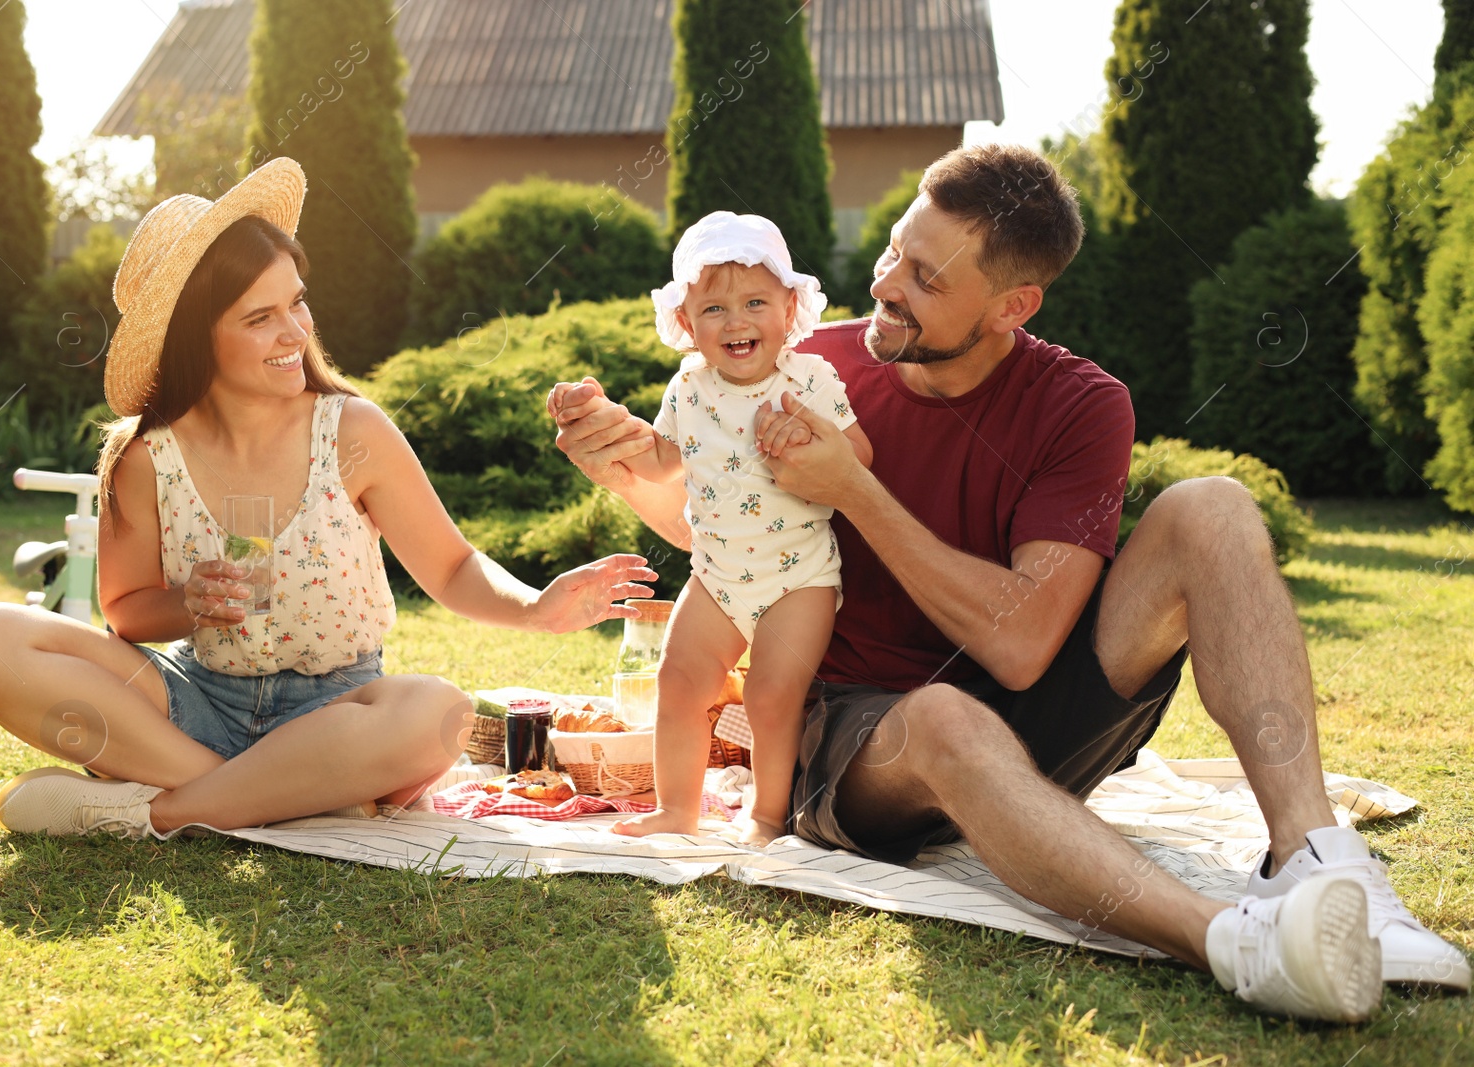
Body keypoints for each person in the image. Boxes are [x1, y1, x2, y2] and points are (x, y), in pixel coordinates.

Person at [549, 144, 1469, 1022]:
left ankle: (1316, 859)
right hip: (864, 729)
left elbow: (1026, 648)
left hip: (1032, 710)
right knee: (947, 717)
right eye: (894, 251)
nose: (886, 286)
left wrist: (856, 490)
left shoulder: (1080, 403)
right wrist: (626, 472)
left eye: (927, 279)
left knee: (1214, 508)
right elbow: (743, 538)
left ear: (1012, 306)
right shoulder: (804, 365)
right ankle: (1238, 944)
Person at [0, 157, 655, 840]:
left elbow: (450, 568)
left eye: (298, 302)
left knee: (440, 713)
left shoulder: (353, 432)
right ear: (198, 337)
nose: (295, 332)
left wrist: (536, 606)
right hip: (196, 702)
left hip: (335, 708)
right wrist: (188, 602)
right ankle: (284, 797)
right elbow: (125, 611)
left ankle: (158, 813)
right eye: (260, 318)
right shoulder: (145, 456)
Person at [550, 212, 873, 846]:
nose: (736, 321)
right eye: (714, 309)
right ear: (686, 325)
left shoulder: (810, 380)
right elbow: (663, 462)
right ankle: (678, 810)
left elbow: (860, 457)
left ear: (789, 310)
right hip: (717, 576)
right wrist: (604, 418)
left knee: (773, 696)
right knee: (677, 681)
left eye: (755, 302)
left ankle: (767, 815)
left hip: (798, 579)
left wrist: (815, 436)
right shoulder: (689, 388)